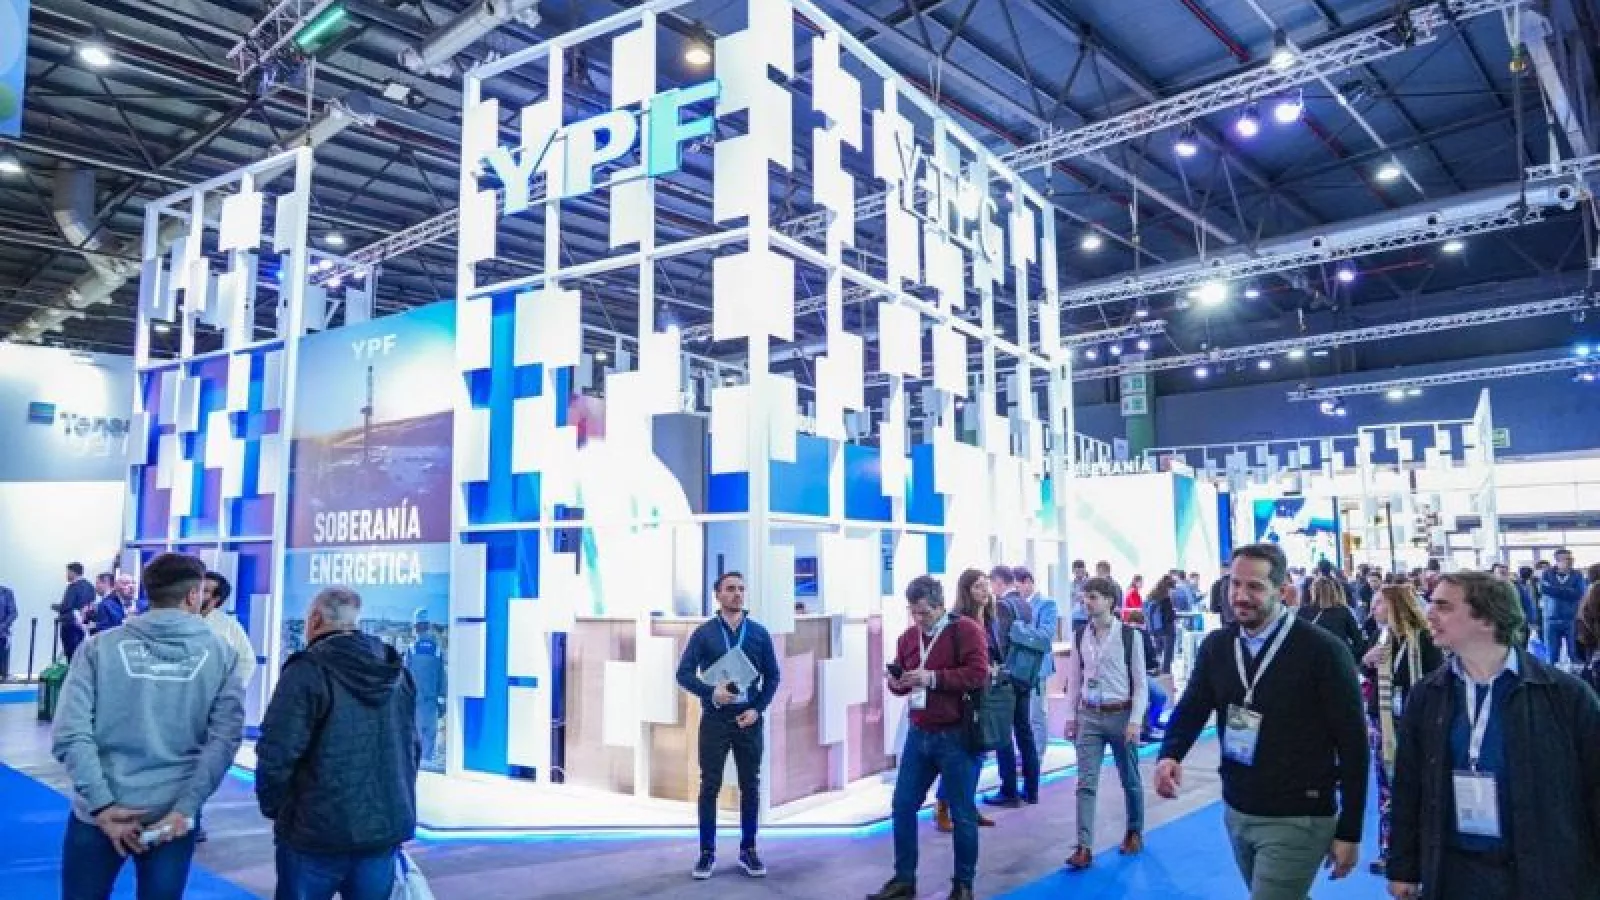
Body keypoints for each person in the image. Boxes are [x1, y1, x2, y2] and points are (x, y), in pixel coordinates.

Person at [1156, 543, 1368, 900]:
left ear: (1282, 590)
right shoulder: (1218, 646)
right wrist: (1170, 754)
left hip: (1299, 813)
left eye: (1254, 586)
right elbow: (1193, 706)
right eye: (1235, 584)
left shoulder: (1324, 651)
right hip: (1238, 806)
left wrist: (1350, 830)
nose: (1240, 596)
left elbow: (1353, 743)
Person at [1387, 572, 1600, 900]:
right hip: (1454, 871)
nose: (1429, 613)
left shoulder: (1565, 695)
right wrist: (1403, 866)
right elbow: (1409, 786)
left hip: (1545, 872)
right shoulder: (1428, 695)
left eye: (1444, 606)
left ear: (1486, 618)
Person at [51, 553, 244, 900]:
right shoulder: (223, 656)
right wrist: (187, 808)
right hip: (172, 815)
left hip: (99, 811)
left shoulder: (98, 648)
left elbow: (70, 733)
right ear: (193, 595)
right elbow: (224, 742)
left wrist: (102, 806)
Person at [256, 586, 419, 900]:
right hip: (382, 827)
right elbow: (412, 747)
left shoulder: (308, 669)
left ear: (315, 619)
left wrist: (276, 807)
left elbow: (278, 749)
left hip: (315, 829)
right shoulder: (395, 671)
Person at [868, 575, 990, 900]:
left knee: (962, 812)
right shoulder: (909, 638)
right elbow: (903, 682)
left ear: (940, 606)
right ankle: (904, 880)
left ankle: (963, 885)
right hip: (919, 733)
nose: (919, 619)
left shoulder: (965, 631)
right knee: (903, 804)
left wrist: (933, 678)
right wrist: (897, 683)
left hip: (956, 735)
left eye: (924, 612)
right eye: (914, 612)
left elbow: (978, 673)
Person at [674, 572, 782, 880]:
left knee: (750, 786)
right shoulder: (704, 634)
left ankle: (749, 850)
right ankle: (706, 853)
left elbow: (773, 676)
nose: (737, 594)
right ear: (717, 595)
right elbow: (683, 674)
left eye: (741, 589)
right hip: (716, 719)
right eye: (730, 589)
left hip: (748, 719)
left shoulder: (758, 633)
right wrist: (711, 692)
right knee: (710, 786)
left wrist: (758, 709)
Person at [1062, 576, 1147, 871]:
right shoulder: (1079, 635)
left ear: (1110, 601)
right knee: (1085, 783)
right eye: (1085, 596)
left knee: (1130, 778)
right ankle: (1084, 846)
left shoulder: (1130, 636)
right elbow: (1074, 680)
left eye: (1093, 596)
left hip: (1121, 714)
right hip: (1089, 716)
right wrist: (1071, 716)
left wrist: (1135, 720)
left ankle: (1134, 830)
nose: (1087, 602)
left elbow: (1141, 684)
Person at [1359, 584, 1443, 876]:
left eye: (1379, 603)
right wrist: (1367, 662)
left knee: (1422, 785)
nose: (1373, 609)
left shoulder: (1425, 640)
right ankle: (1390, 850)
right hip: (1383, 723)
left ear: (1396, 606)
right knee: (1387, 789)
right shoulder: (1379, 637)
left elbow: (1436, 679)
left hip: (1417, 722)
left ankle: (1425, 848)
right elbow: (1368, 675)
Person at [934, 570, 1000, 834]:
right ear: (966, 591)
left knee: (979, 752)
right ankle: (943, 805)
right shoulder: (957, 622)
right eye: (978, 587)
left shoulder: (991, 619)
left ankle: (967, 806)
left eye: (986, 586)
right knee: (960, 755)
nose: (985, 591)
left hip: (985, 694)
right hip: (963, 697)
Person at [985, 565, 1039, 808]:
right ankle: (1032, 789)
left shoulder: (1002, 606)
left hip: (1008, 677)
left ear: (998, 582)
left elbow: (1001, 643)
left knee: (1003, 733)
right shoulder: (1026, 604)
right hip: (1026, 675)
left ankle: (1009, 790)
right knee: (1024, 732)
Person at [1014, 565, 1057, 775]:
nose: (1016, 591)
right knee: (1020, 717)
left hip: (1037, 668)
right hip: (1017, 669)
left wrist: (1018, 631)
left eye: (1017, 587)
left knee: (1037, 714)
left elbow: (1046, 635)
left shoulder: (1047, 604)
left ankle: (1036, 758)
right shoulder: (1013, 605)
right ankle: (1022, 755)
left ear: (1028, 582)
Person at [406, 619, 447, 769]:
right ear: (428, 627)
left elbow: (404, 676)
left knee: (415, 734)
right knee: (429, 735)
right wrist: (442, 700)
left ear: (415, 628)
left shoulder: (412, 649)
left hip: (414, 701)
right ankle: (427, 763)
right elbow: (442, 677)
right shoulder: (436, 650)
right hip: (431, 702)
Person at [1302, 576, 1368, 668]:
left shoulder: (1303, 612)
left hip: (1312, 662)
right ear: (1333, 591)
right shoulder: (1343, 611)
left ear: (1313, 591)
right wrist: (1347, 654)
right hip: (1338, 661)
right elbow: (1358, 641)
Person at [1539, 549, 1587, 666]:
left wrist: (1555, 589)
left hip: (1571, 619)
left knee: (1574, 654)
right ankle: (1551, 677)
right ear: (1558, 561)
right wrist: (1568, 591)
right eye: (1567, 559)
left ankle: (1577, 676)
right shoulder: (1547, 574)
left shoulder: (1577, 575)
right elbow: (1544, 589)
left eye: (1572, 558)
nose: (1571, 561)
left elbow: (1579, 593)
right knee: (1551, 656)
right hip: (1551, 619)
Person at [58, 562, 96, 661]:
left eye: (67, 572)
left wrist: (57, 607)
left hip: (70, 625)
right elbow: (91, 606)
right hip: (85, 626)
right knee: (81, 656)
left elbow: (67, 606)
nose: (66, 575)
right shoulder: (90, 586)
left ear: (73, 572)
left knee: (71, 656)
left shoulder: (73, 587)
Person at [1144, 575, 1179, 676]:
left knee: (1157, 653)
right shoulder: (1166, 599)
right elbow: (1168, 617)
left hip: (1155, 629)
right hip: (1167, 630)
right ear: (1169, 587)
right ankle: (1166, 675)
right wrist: (1174, 615)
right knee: (1167, 656)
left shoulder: (1151, 596)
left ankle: (1156, 672)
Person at [1575, 581, 1600, 666]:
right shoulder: (1596, 588)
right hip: (1590, 635)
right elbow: (1593, 613)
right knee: (1591, 662)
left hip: (1589, 632)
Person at [0, 580, 15, 680]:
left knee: (2, 671)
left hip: (2, 634)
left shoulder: (7, 593)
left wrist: (2, 626)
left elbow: (13, 613)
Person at [1070, 560, 1090, 627]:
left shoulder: (1090, 583)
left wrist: (1084, 597)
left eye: (1081, 570)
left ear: (1084, 570)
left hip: (1088, 617)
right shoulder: (1070, 585)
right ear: (1073, 571)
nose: (1079, 573)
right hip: (1075, 617)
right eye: (1077, 571)